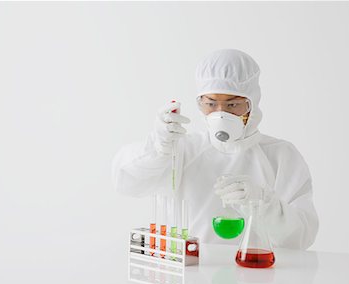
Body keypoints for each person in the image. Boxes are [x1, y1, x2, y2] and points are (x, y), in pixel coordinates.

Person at [112, 49, 319, 249]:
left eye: (232, 105)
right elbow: (125, 182)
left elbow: (300, 238)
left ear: (252, 104)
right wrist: (158, 148)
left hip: (258, 275)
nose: (220, 114)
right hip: (192, 273)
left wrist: (262, 203)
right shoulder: (183, 150)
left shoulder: (280, 156)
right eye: (210, 104)